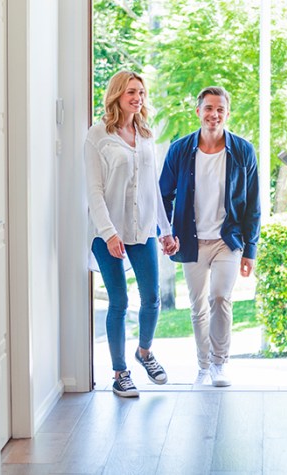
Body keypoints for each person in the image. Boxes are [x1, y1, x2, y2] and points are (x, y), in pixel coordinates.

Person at [84, 70, 179, 398]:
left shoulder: (146, 134)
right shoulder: (98, 136)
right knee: (120, 301)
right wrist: (109, 233)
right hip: (107, 231)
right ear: (117, 96)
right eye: (131, 93)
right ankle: (120, 372)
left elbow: (153, 188)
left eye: (141, 92)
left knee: (151, 298)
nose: (138, 98)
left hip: (143, 230)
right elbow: (94, 191)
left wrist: (165, 231)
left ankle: (145, 352)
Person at [159, 86, 260, 388]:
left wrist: (250, 251)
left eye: (220, 109)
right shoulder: (180, 149)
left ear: (227, 113)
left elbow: (253, 204)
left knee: (220, 297)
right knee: (197, 303)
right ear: (198, 111)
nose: (214, 115)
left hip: (227, 239)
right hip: (190, 239)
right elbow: (162, 194)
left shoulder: (243, 151)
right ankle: (202, 366)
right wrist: (165, 234)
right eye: (208, 108)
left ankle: (220, 363)